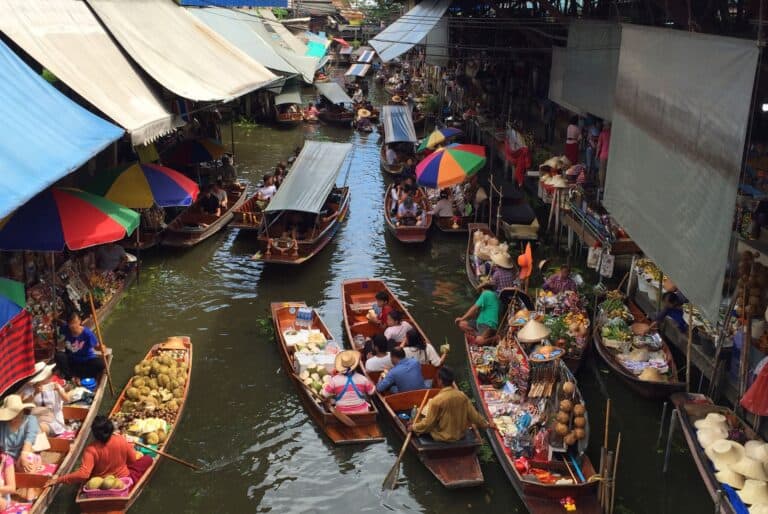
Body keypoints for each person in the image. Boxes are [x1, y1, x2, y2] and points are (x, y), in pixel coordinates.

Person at [47, 415, 152, 488]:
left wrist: (59, 479)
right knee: (147, 459)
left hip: (101, 483)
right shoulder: (121, 439)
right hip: (122, 479)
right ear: (111, 429)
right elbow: (132, 460)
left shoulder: (90, 449)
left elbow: (83, 474)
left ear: (94, 433)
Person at [410, 367, 493, 442]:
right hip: (460, 435)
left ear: (440, 381)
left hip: (443, 437)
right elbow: (475, 416)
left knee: (420, 417)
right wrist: (487, 424)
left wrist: (413, 427)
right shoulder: (462, 395)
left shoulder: (436, 401)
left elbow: (428, 424)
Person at [20, 362, 70, 436]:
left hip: (54, 421)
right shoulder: (29, 389)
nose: (51, 376)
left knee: (37, 429)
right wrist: (35, 394)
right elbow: (24, 405)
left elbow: (67, 400)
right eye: (48, 375)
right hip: (36, 419)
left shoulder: (55, 386)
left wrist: (59, 391)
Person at [55, 312, 105, 381]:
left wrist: (102, 348)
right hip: (72, 359)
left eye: (75, 322)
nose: (73, 326)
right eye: (70, 324)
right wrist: (54, 319)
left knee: (100, 364)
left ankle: (78, 375)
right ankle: (70, 377)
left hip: (86, 360)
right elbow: (60, 324)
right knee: (59, 355)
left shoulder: (87, 334)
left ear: (79, 321)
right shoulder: (66, 329)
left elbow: (96, 346)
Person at [0, 395, 40, 472]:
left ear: (21, 411)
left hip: (22, 455)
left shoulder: (31, 420)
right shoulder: (2, 423)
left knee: (28, 462)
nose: (12, 417)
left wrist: (24, 454)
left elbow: (29, 439)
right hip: (4, 457)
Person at [596, 122, 611, 190]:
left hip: (603, 155)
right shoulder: (612, 133)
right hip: (610, 156)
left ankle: (601, 186)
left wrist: (596, 155)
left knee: (602, 171)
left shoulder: (602, 133)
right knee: (608, 171)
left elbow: (599, 146)